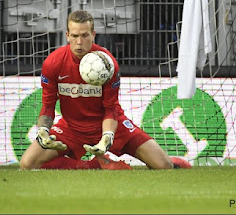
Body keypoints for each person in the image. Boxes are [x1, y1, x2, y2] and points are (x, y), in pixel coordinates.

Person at [20, 10, 191, 170]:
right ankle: (95, 165)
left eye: (85, 35)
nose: (79, 42)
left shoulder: (107, 63)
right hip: (72, 128)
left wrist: (107, 137)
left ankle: (173, 161)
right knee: (28, 163)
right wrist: (43, 131)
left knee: (163, 165)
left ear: (93, 35)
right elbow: (48, 105)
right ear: (67, 36)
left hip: (110, 126)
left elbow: (111, 108)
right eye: (75, 36)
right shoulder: (53, 63)